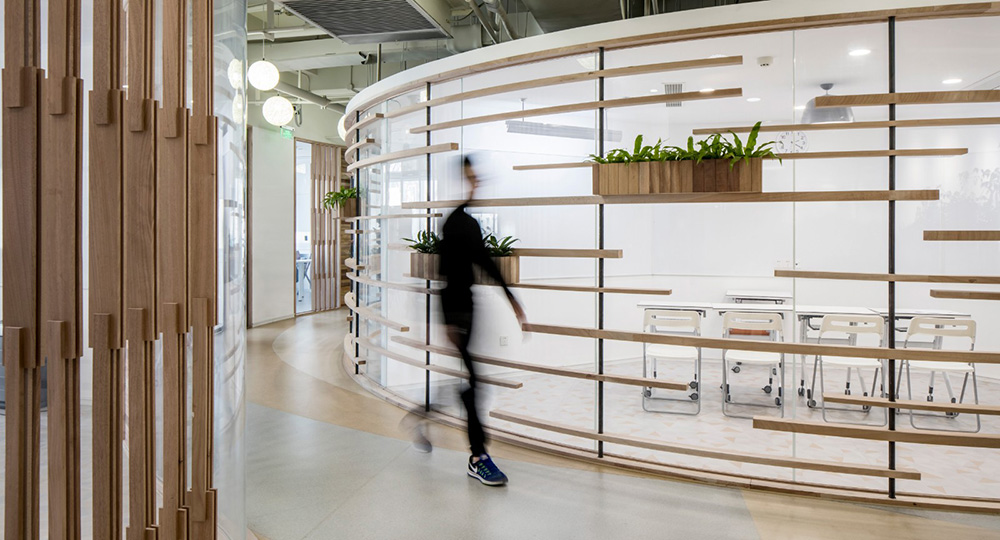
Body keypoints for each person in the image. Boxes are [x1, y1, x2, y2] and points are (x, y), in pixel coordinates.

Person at [439, 156, 526, 486]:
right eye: (470, 178)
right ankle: (478, 457)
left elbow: (487, 264)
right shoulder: (453, 223)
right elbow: (445, 275)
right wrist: (448, 322)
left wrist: (512, 300)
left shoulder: (470, 224)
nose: (476, 183)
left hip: (469, 309)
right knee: (475, 382)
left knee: (472, 382)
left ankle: (430, 411)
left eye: (476, 178)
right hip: (456, 313)